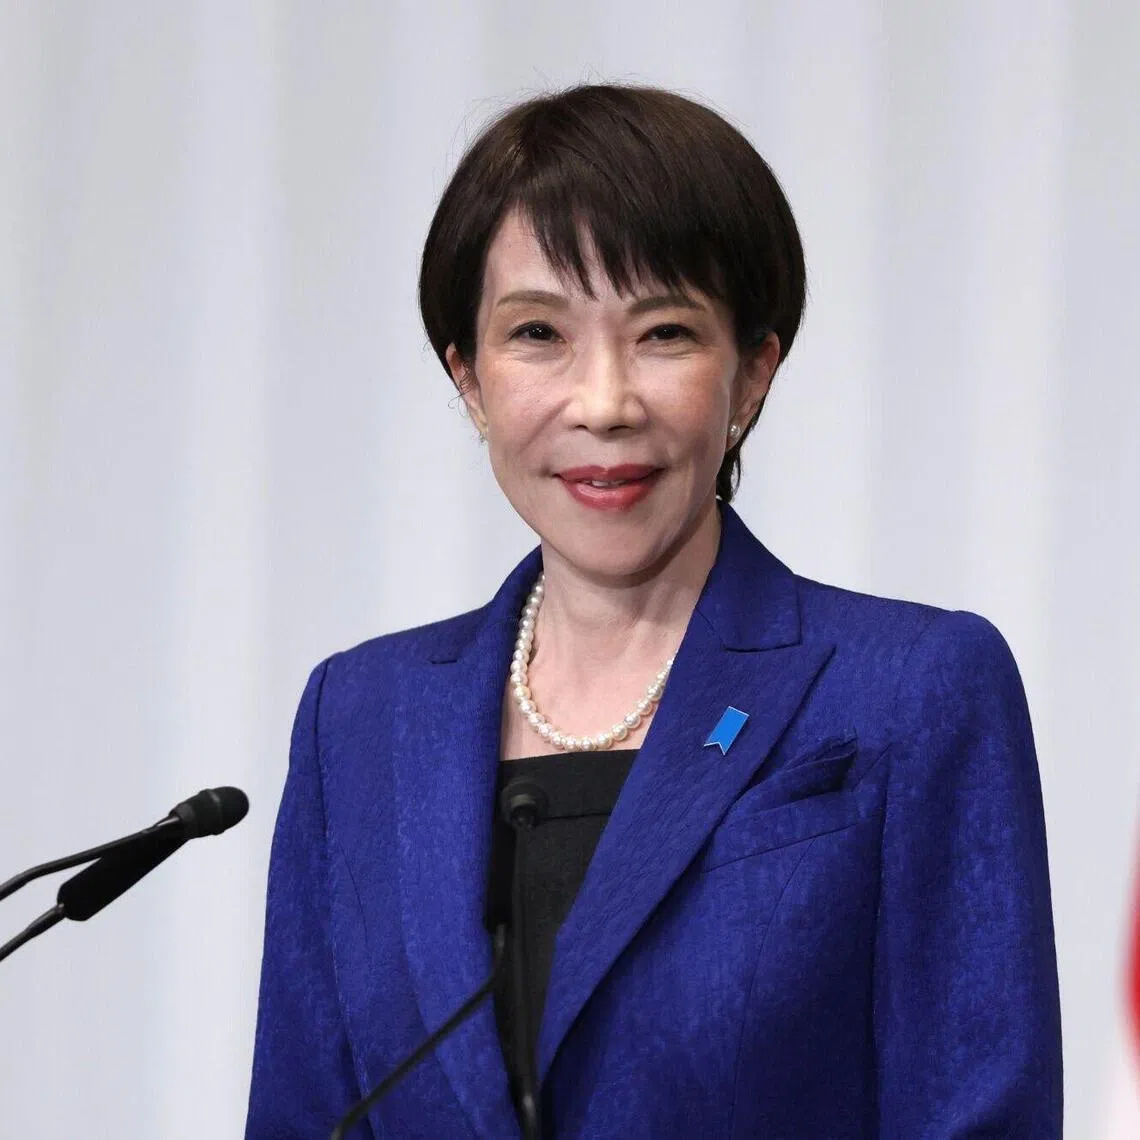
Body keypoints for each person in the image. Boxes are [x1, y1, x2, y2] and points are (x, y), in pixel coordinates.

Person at [245, 84, 1062, 1138]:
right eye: (538, 332)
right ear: (471, 379)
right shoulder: (358, 719)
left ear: (752, 373)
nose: (604, 402)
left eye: (664, 332)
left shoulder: (911, 689)